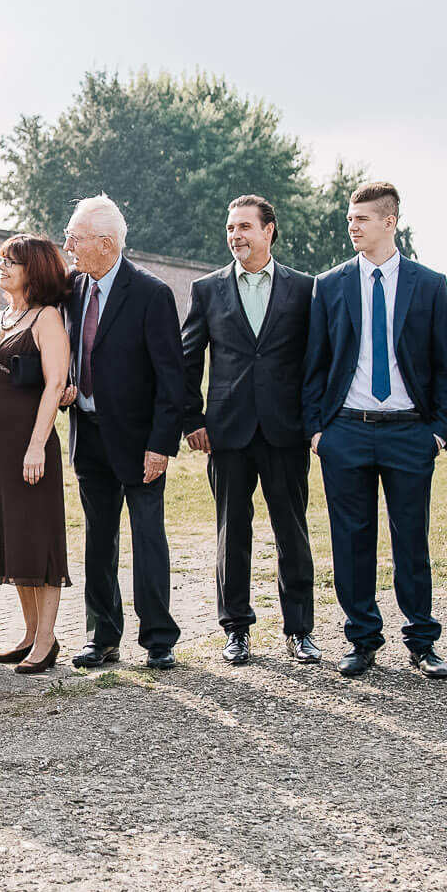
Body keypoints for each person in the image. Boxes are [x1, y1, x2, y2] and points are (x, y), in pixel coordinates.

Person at [302, 182, 447, 678]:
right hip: (345, 432)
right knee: (351, 540)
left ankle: (421, 640)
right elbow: (315, 364)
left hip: (409, 433)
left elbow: (443, 365)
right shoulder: (329, 284)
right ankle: (362, 639)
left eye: (362, 219)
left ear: (390, 222)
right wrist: (317, 431)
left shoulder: (429, 284)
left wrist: (438, 431)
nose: (352, 225)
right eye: (350, 218)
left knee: (411, 538)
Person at [182, 195, 319, 667]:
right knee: (231, 532)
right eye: (229, 228)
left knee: (291, 531)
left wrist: (314, 422)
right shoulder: (207, 290)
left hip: (286, 430)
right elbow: (188, 358)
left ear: (269, 231)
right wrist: (192, 419)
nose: (235, 235)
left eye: (244, 227)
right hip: (227, 431)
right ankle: (235, 629)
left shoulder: (304, 289)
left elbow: (315, 361)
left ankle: (300, 630)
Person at [60, 195, 184, 672]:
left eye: (75, 236)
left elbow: (171, 378)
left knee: (148, 536)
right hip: (87, 435)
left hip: (139, 441)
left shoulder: (152, 293)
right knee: (99, 538)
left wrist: (160, 444)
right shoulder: (71, 288)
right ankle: (102, 637)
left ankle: (158, 638)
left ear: (106, 243)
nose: (68, 244)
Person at [0, 235, 72, 672]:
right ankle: (30, 633)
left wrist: (37, 445)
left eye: (11, 262)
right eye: (1, 261)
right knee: (13, 540)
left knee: (38, 539)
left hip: (28, 445)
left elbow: (54, 384)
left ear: (34, 269)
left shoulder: (47, 318)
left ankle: (47, 641)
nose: (2, 267)